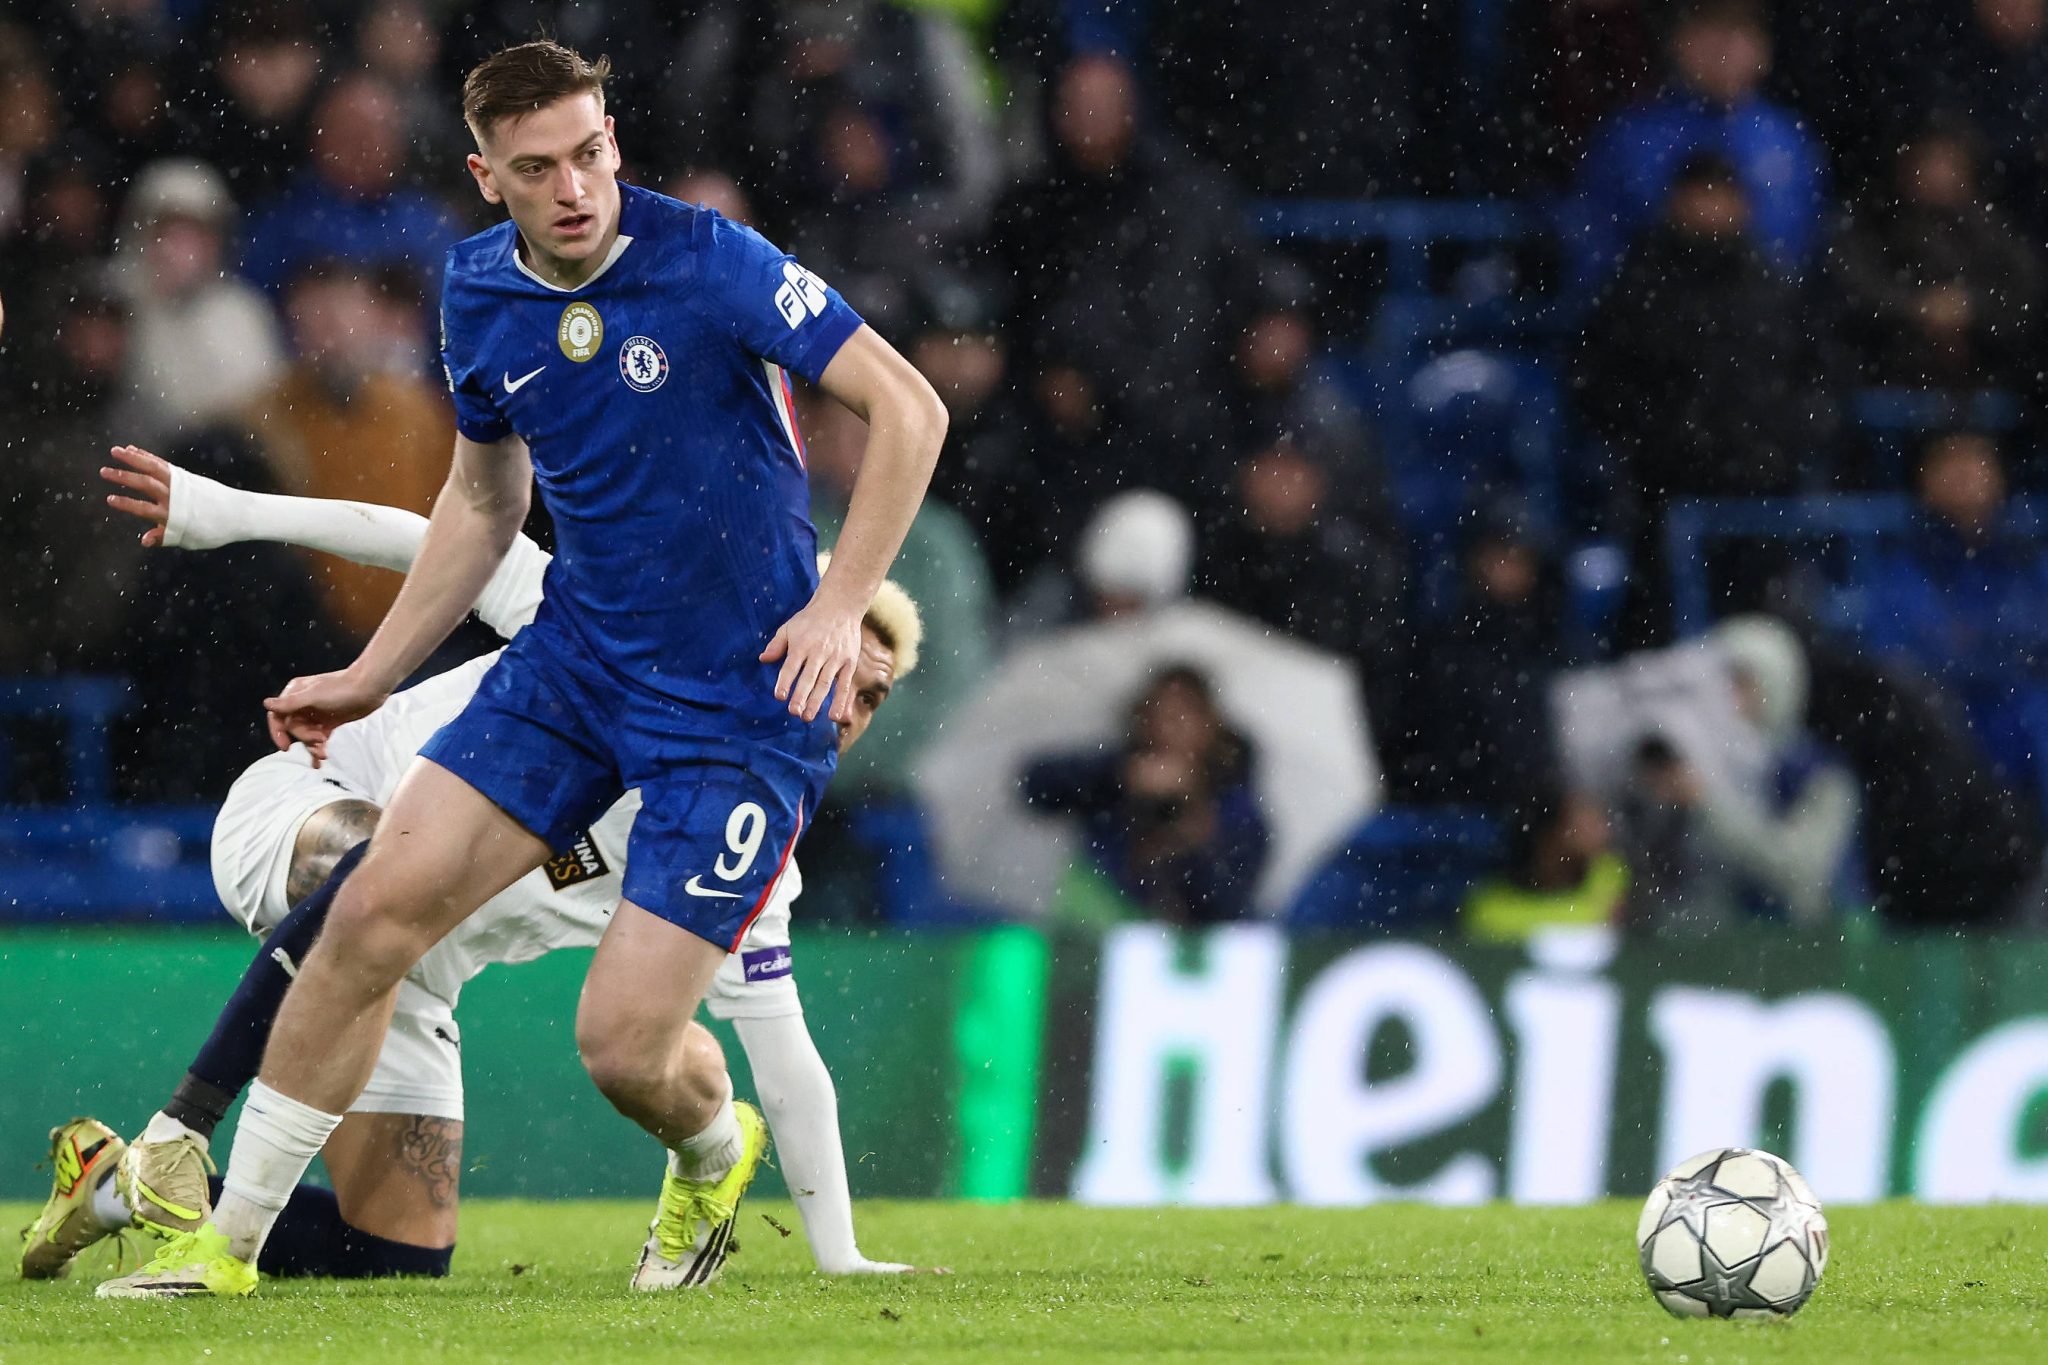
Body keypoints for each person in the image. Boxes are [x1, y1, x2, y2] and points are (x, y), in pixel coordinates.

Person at [98, 39, 945, 1298]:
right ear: (485, 175)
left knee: (619, 1049)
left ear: (614, 144)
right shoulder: (478, 293)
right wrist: (376, 673)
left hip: (736, 706)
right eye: (538, 166)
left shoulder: (713, 262)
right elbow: (479, 506)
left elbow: (910, 408)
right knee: (374, 907)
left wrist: (834, 609)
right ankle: (221, 1249)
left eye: (591, 153)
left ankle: (711, 1151)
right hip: (580, 667)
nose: (573, 187)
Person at [22, 448, 925, 1282]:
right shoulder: (617, 636)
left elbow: (788, 1056)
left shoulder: (745, 840)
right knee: (383, 867)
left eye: (873, 694)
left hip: (414, 977)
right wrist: (225, 511)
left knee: (395, 1255)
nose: (847, 705)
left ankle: (112, 1183)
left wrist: (839, 1254)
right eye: (840, 664)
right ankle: (180, 1129)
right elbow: (432, 537)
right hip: (310, 809)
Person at [1566, 0, 1829, 291]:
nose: (1726, 49)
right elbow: (1592, 252)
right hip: (1649, 316)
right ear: (1680, 39)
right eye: (1710, 29)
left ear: (1763, 48)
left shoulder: (1790, 143)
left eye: (1741, 31)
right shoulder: (1631, 136)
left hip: (1766, 320)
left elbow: (1807, 257)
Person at [1022, 664, 1269, 928]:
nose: (1168, 730)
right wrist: (1119, 777)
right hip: (1095, 929)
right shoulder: (1113, 776)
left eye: (1182, 718)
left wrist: (1195, 840)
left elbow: (1226, 906)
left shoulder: (1235, 809)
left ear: (1209, 726)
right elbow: (1036, 787)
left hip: (1184, 948)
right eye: (1159, 716)